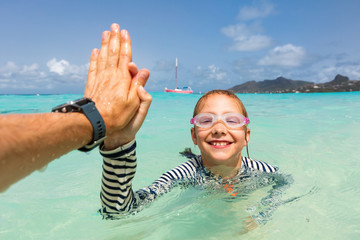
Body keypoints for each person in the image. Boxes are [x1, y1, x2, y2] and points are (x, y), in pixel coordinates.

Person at [98, 89, 290, 226]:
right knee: (190, 159)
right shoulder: (182, 174)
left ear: (246, 137)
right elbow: (118, 212)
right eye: (206, 120)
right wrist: (119, 147)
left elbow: (285, 183)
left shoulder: (262, 170)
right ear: (194, 136)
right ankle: (189, 154)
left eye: (232, 120)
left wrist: (262, 214)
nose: (219, 129)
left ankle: (190, 151)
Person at [0, 23, 152, 192]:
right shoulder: (180, 174)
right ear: (189, 133)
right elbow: (119, 213)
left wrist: (99, 117)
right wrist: (114, 140)